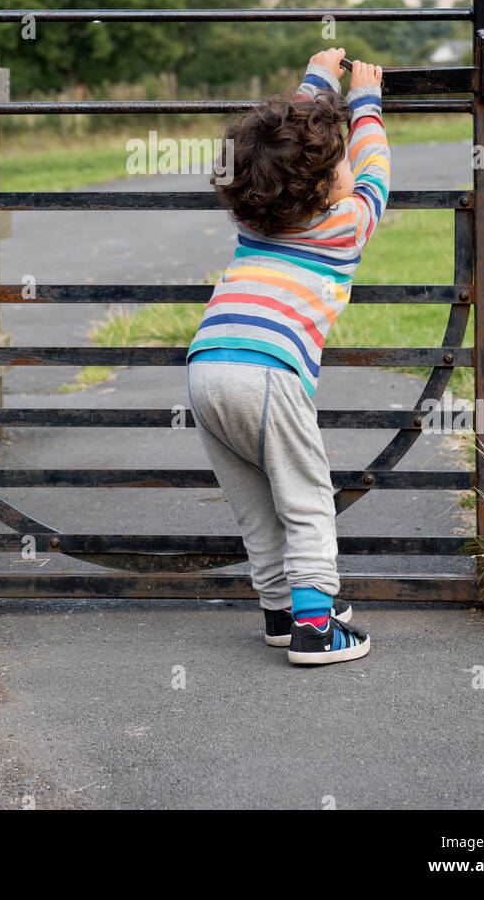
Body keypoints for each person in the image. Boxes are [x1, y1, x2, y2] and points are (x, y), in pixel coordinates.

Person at [186, 47, 390, 665]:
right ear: (330, 184)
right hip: (270, 373)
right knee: (306, 500)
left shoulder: (255, 222)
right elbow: (376, 172)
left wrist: (316, 80)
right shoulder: (347, 225)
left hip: (206, 367)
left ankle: (280, 611)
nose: (350, 170)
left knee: (255, 505)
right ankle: (315, 628)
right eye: (340, 166)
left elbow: (280, 152)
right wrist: (365, 104)